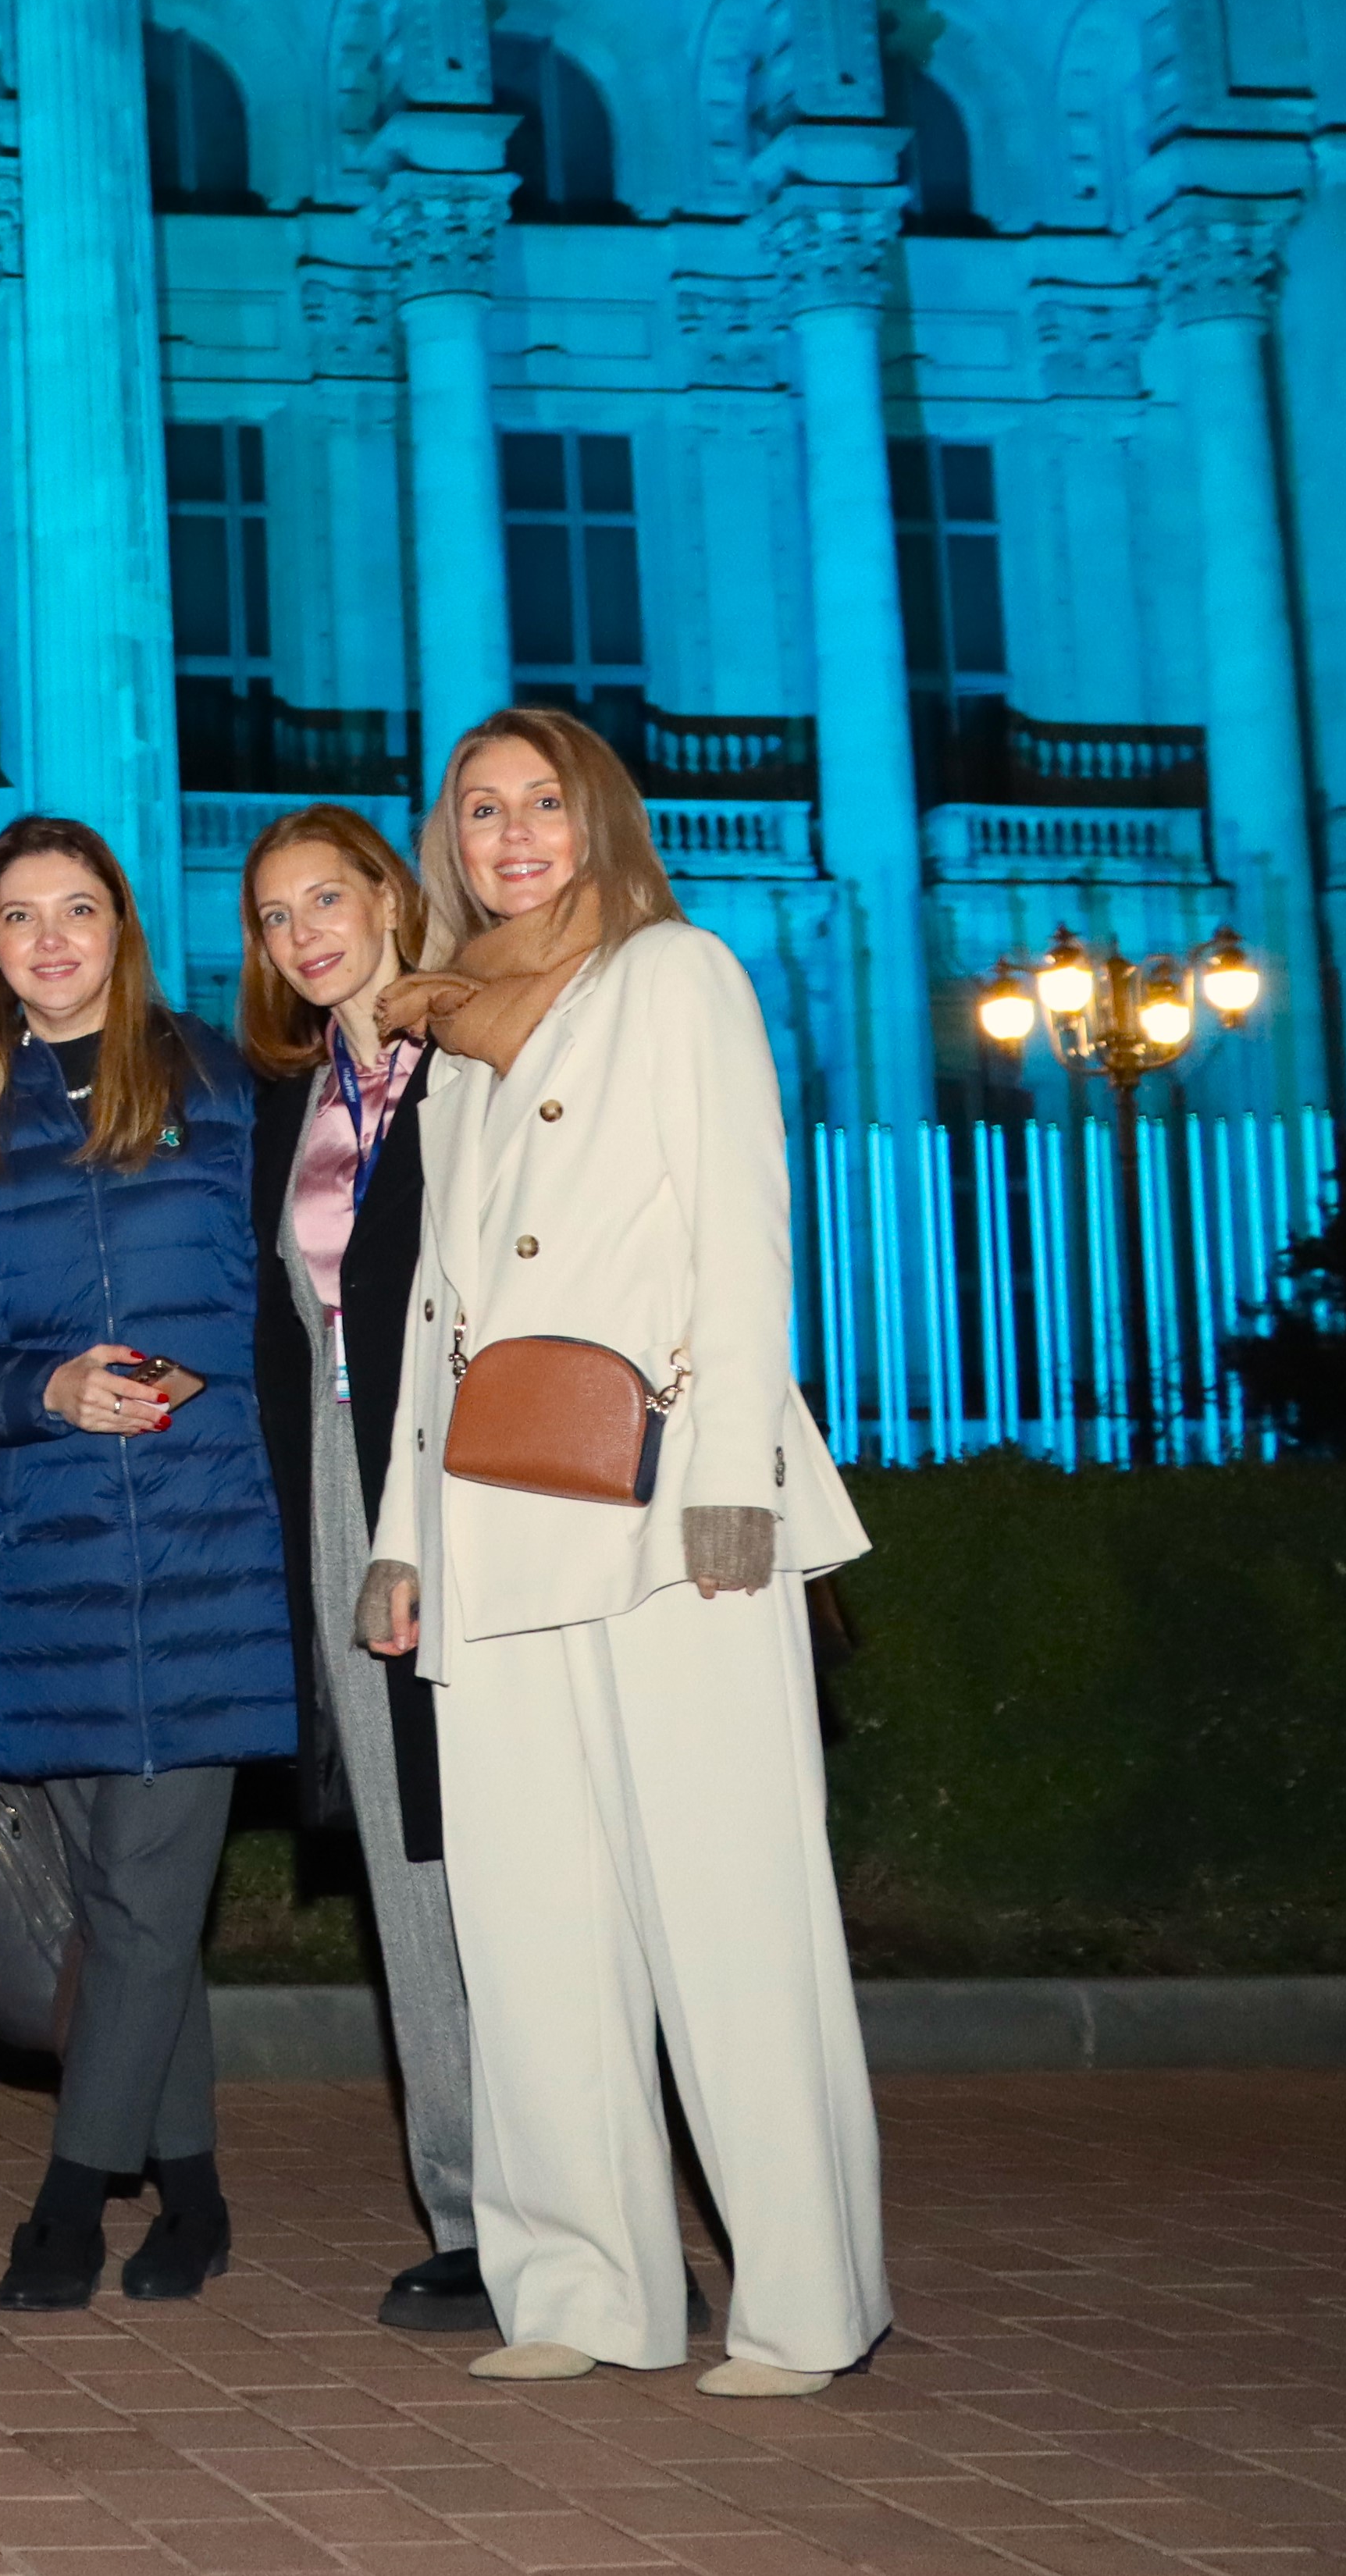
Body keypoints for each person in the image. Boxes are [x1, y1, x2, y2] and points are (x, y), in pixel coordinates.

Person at [368, 710, 885, 2396]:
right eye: (476, 811)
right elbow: (435, 1312)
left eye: (538, 805)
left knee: (730, 1915)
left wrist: (732, 1477)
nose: (508, 835)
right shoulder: (444, 1041)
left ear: (595, 820)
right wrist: (396, 1537)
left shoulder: (676, 975)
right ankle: (583, 2292)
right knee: (529, 1938)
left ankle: (805, 2301)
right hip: (492, 1522)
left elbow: (742, 1234)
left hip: (670, 1512)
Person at [0, 815, 287, 2315]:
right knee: (134, 1903)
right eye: (17, 918)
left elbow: (292, 1304)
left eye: (78, 911)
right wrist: (39, 1391)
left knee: (140, 1893)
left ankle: (67, 2201)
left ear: (122, 927)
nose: (49, 940)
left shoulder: (224, 1086)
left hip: (211, 1542)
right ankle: (190, 2194)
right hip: (46, 1553)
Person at [240, 804, 491, 2336]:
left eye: (323, 898)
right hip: (341, 1484)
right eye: (270, 917)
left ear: (389, 894)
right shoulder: (291, 1098)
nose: (301, 933)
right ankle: (470, 2211)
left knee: (521, 1857)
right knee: (409, 1861)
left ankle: (584, 2197)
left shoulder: (475, 1051)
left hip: (480, 1482)